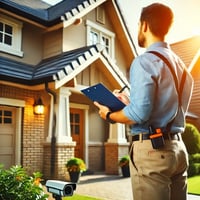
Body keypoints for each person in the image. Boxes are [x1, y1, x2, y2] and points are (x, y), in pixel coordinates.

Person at [94, 3, 193, 200]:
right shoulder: (183, 68)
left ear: (145, 25)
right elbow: (164, 107)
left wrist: (109, 114)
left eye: (138, 25)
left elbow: (139, 114)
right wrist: (129, 102)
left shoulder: (144, 61)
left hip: (153, 152)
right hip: (179, 150)